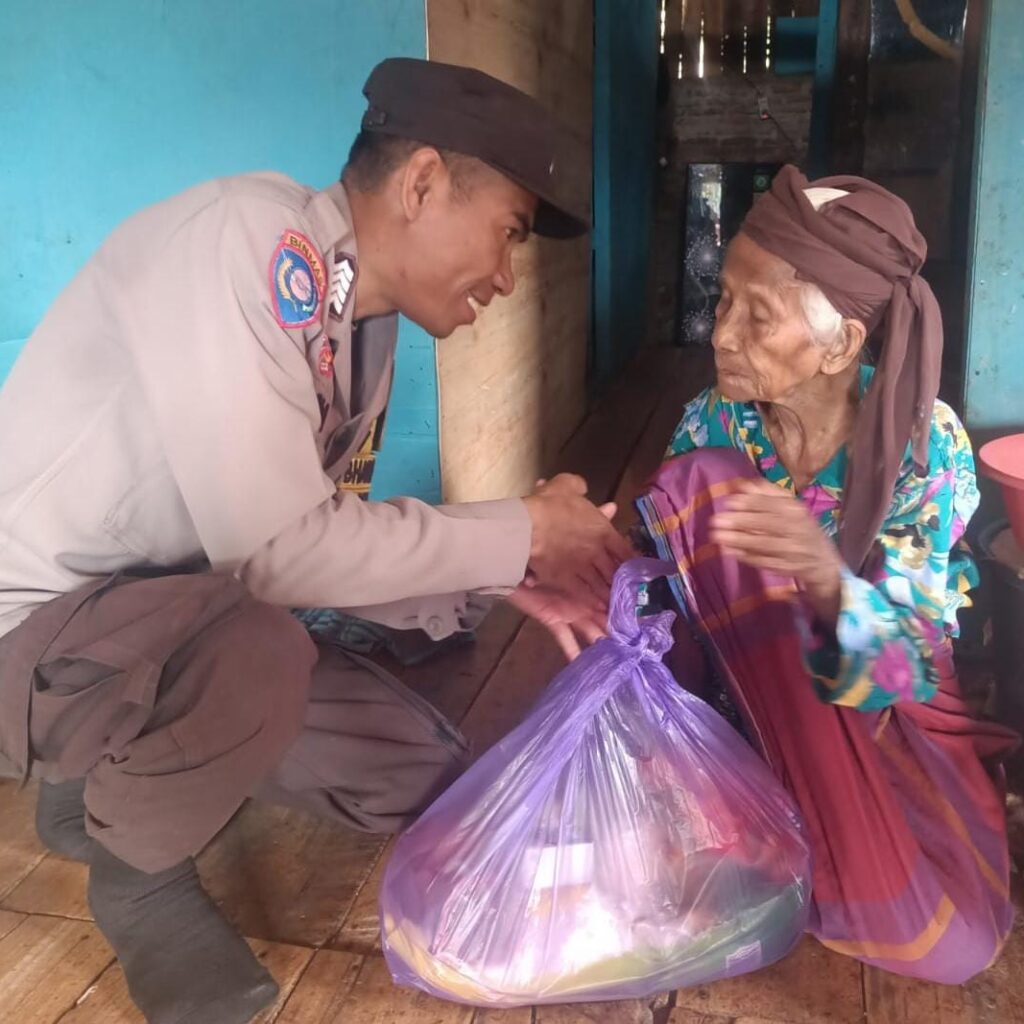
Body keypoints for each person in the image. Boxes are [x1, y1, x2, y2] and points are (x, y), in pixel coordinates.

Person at [0, 58, 626, 1023]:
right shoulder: (248, 244)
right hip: (35, 632)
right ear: (420, 183)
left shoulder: (359, 329)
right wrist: (518, 532)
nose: (505, 278)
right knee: (260, 651)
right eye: (506, 235)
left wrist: (508, 569)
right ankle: (136, 879)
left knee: (420, 767)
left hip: (164, 617)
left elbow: (322, 549)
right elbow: (281, 555)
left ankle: (94, 779)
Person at [637, 165, 1018, 984]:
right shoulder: (716, 424)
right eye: (724, 300)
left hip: (876, 735)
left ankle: (805, 835)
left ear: (841, 344)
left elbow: (909, 667)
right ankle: (748, 811)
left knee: (950, 939)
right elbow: (671, 589)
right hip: (741, 710)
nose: (720, 332)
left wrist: (820, 575)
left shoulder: (925, 450)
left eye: (756, 315)